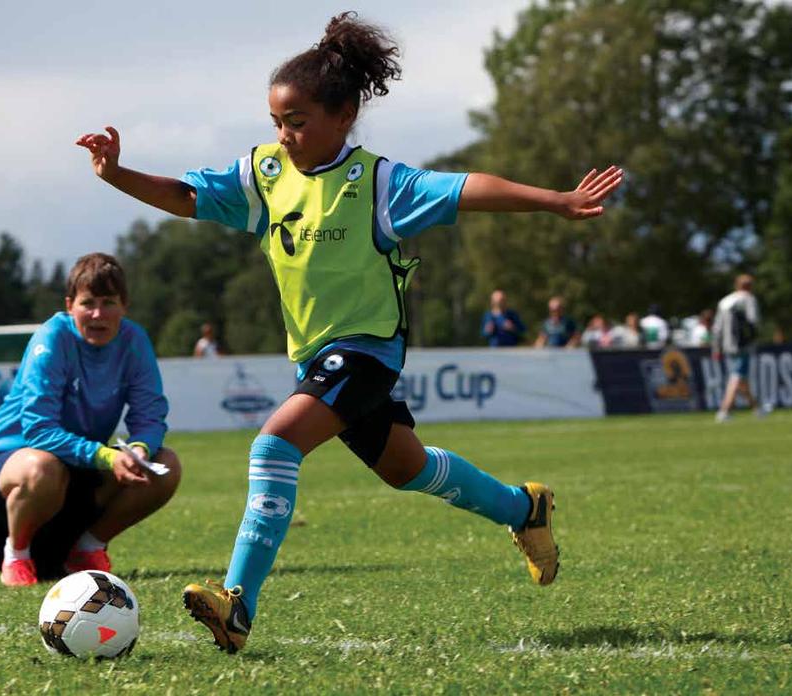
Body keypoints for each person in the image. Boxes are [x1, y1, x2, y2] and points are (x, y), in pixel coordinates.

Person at [77, 12, 622, 653]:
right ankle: (522, 508)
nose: (284, 136)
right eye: (277, 122)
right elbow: (185, 196)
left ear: (344, 116)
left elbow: (467, 189)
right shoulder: (265, 177)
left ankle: (238, 604)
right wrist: (116, 173)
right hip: (318, 357)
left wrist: (554, 200)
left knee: (273, 446)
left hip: (366, 352)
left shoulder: (380, 185)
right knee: (406, 468)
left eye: (298, 123)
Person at [0, 253, 181, 587]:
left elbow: (150, 414)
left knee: (165, 465)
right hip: (11, 470)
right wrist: (109, 457)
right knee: (42, 467)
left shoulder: (134, 340)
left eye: (108, 302)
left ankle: (87, 548)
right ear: (70, 305)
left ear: (124, 305)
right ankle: (17, 553)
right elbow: (38, 429)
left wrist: (137, 449)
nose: (98, 314)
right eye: (88, 303)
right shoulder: (52, 338)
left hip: (75, 470)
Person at [712, 274, 769, 422]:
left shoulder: (725, 301)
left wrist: (716, 348)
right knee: (737, 376)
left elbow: (717, 328)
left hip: (727, 345)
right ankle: (725, 410)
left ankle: (757, 409)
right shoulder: (748, 299)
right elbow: (754, 322)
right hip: (742, 345)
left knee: (741, 377)